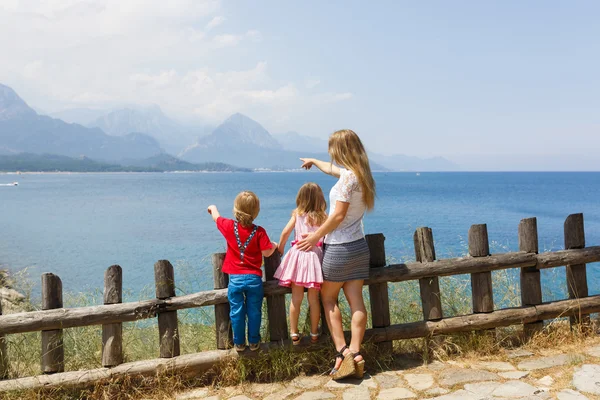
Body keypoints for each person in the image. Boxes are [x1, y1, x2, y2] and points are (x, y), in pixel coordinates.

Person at [296, 129, 376, 380]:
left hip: (339, 249)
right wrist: (313, 161)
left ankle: (342, 353)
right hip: (359, 248)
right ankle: (356, 352)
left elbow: (338, 215)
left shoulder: (346, 181)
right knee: (356, 301)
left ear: (340, 150)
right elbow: (332, 169)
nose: (330, 154)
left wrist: (315, 235)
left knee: (328, 299)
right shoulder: (361, 177)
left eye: (332, 149)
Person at [208, 191, 278, 352]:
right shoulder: (259, 231)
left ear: (235, 209)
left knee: (236, 311)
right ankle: (254, 341)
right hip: (254, 279)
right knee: (254, 311)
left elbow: (216, 218)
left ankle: (239, 343)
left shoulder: (229, 226)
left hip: (236, 279)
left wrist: (213, 208)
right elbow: (267, 252)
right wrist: (274, 244)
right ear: (256, 211)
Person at [273, 182, 327, 345]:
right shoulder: (324, 216)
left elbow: (285, 232)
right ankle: (314, 333)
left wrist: (281, 248)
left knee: (296, 299)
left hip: (297, 256)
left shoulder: (297, 214)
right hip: (314, 258)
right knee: (314, 299)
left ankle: (294, 332)